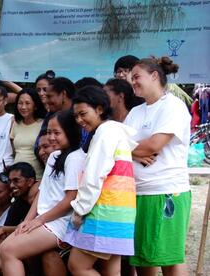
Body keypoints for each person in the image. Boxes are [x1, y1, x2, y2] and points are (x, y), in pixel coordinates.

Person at [124, 57, 191, 276]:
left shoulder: (173, 106)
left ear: (154, 76)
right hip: (138, 193)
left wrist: (131, 150)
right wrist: (134, 152)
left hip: (165, 191)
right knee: (144, 259)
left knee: (169, 258)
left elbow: (154, 145)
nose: (132, 82)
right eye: (130, 78)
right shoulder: (135, 112)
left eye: (136, 77)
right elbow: (116, 145)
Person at [0, 110, 84, 276]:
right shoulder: (54, 156)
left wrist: (39, 221)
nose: (51, 137)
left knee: (8, 250)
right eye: (48, 132)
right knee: (7, 248)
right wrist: (29, 220)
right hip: (45, 220)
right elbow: (42, 192)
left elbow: (70, 200)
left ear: (70, 131)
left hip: (61, 223)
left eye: (57, 132)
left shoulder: (75, 158)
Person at [64, 86, 137, 275]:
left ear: (99, 109)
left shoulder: (105, 132)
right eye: (76, 116)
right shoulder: (115, 131)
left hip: (105, 211)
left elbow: (94, 175)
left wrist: (79, 210)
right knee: (111, 270)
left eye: (83, 113)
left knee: (78, 266)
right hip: (121, 213)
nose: (79, 120)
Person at [11, 88, 46, 179]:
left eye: (27, 103)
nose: (23, 107)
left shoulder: (43, 124)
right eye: (20, 103)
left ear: (35, 106)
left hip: (36, 177)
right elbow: (14, 151)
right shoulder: (16, 123)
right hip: (17, 178)